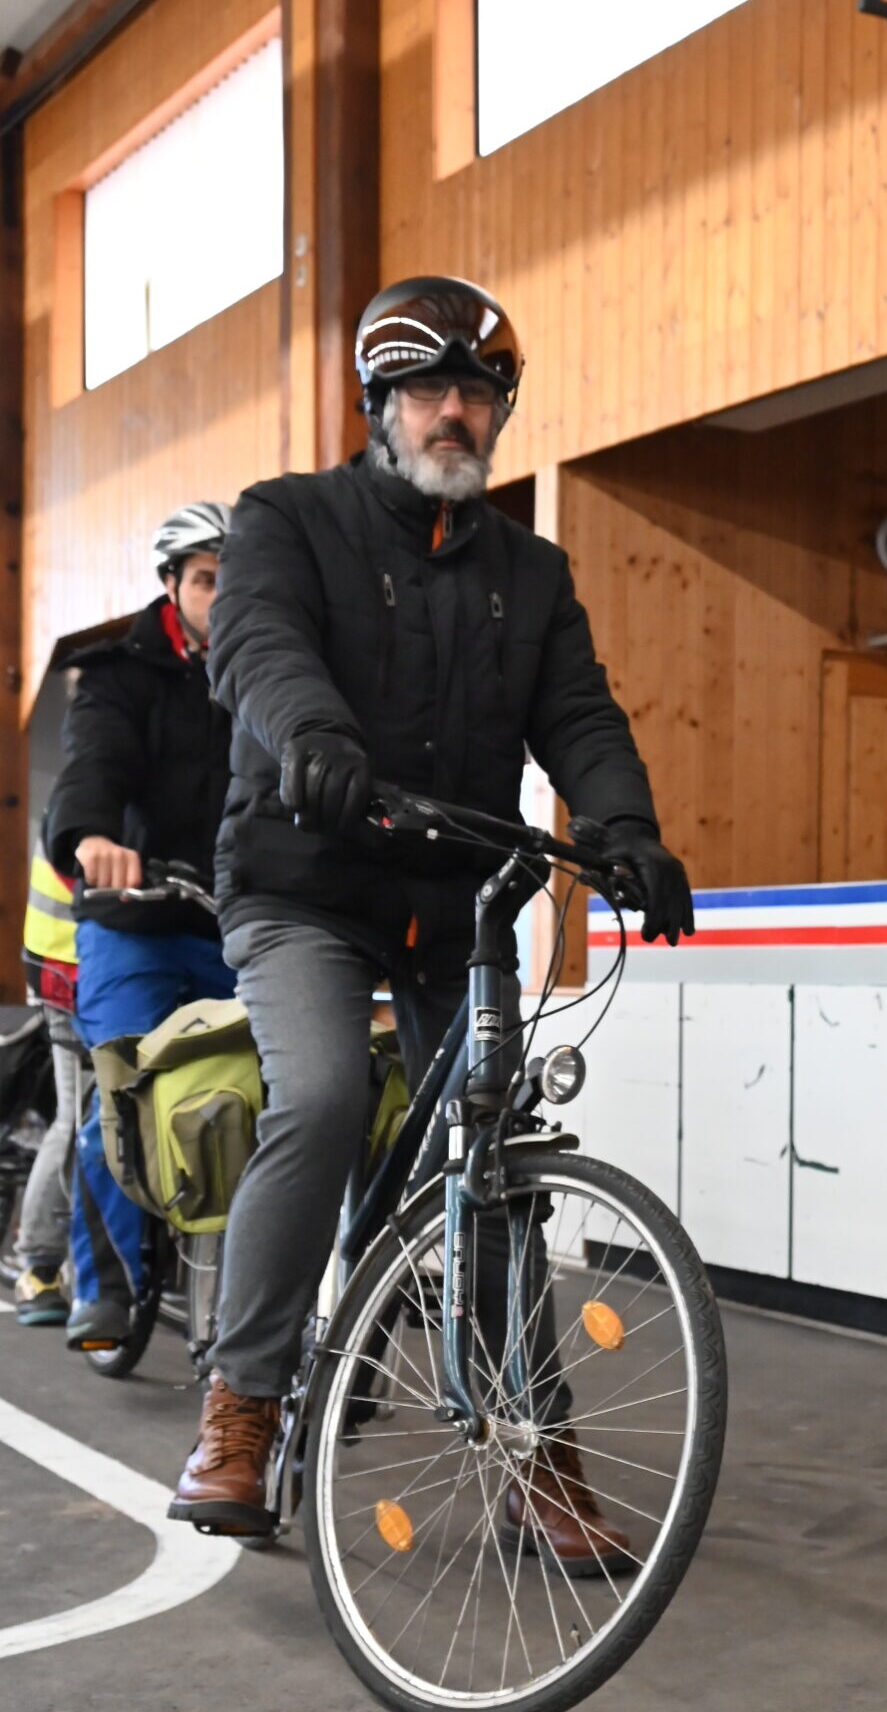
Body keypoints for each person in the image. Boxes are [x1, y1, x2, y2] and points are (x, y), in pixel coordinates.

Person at [174, 275, 695, 1546]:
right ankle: (240, 1405)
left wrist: (625, 828)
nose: (453, 413)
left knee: (497, 1154)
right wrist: (314, 737)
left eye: (476, 392)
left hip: (453, 897)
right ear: (380, 405)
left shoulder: (531, 571)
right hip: (303, 879)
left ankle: (528, 1442)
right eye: (428, 390)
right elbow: (259, 648)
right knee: (324, 1098)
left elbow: (577, 714)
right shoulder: (287, 521)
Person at [41, 506, 239, 1349]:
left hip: (235, 922)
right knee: (122, 1096)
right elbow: (93, 767)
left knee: (281, 1091)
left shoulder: (263, 671)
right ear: (171, 585)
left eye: (234, 579)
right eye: (204, 579)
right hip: (135, 916)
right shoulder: (119, 675)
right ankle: (108, 1288)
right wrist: (91, 838)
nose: (221, 595)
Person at [8, 842, 83, 1326]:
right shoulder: (96, 786)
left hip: (76, 957)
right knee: (78, 1116)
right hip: (70, 965)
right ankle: (37, 1263)